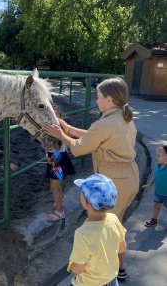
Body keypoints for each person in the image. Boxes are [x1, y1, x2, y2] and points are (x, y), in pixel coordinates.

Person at [43, 78, 139, 279]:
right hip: (130, 177)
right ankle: (119, 270)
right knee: (117, 226)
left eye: (98, 97)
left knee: (104, 229)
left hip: (115, 179)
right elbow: (94, 136)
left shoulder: (104, 123)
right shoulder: (123, 117)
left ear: (109, 99)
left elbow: (79, 147)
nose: (96, 101)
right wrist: (67, 128)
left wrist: (60, 135)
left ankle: (102, 275)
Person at [68, 173, 126, 286]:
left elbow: (78, 269)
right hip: (111, 280)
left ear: (86, 203)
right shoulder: (114, 219)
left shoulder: (82, 233)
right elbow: (122, 247)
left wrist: (72, 267)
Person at [45, 105, 75, 222]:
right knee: (52, 183)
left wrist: (64, 129)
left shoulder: (61, 129)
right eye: (50, 116)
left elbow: (69, 137)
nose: (52, 119)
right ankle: (60, 198)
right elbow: (45, 143)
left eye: (55, 117)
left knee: (54, 187)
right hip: (53, 158)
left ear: (61, 119)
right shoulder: (47, 129)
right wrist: (47, 154)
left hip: (60, 158)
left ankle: (59, 212)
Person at [142, 145, 167, 227]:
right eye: (156, 155)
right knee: (156, 206)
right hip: (158, 193)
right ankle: (154, 220)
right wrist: (150, 184)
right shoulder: (158, 167)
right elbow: (156, 176)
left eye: (158, 156)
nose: (156, 157)